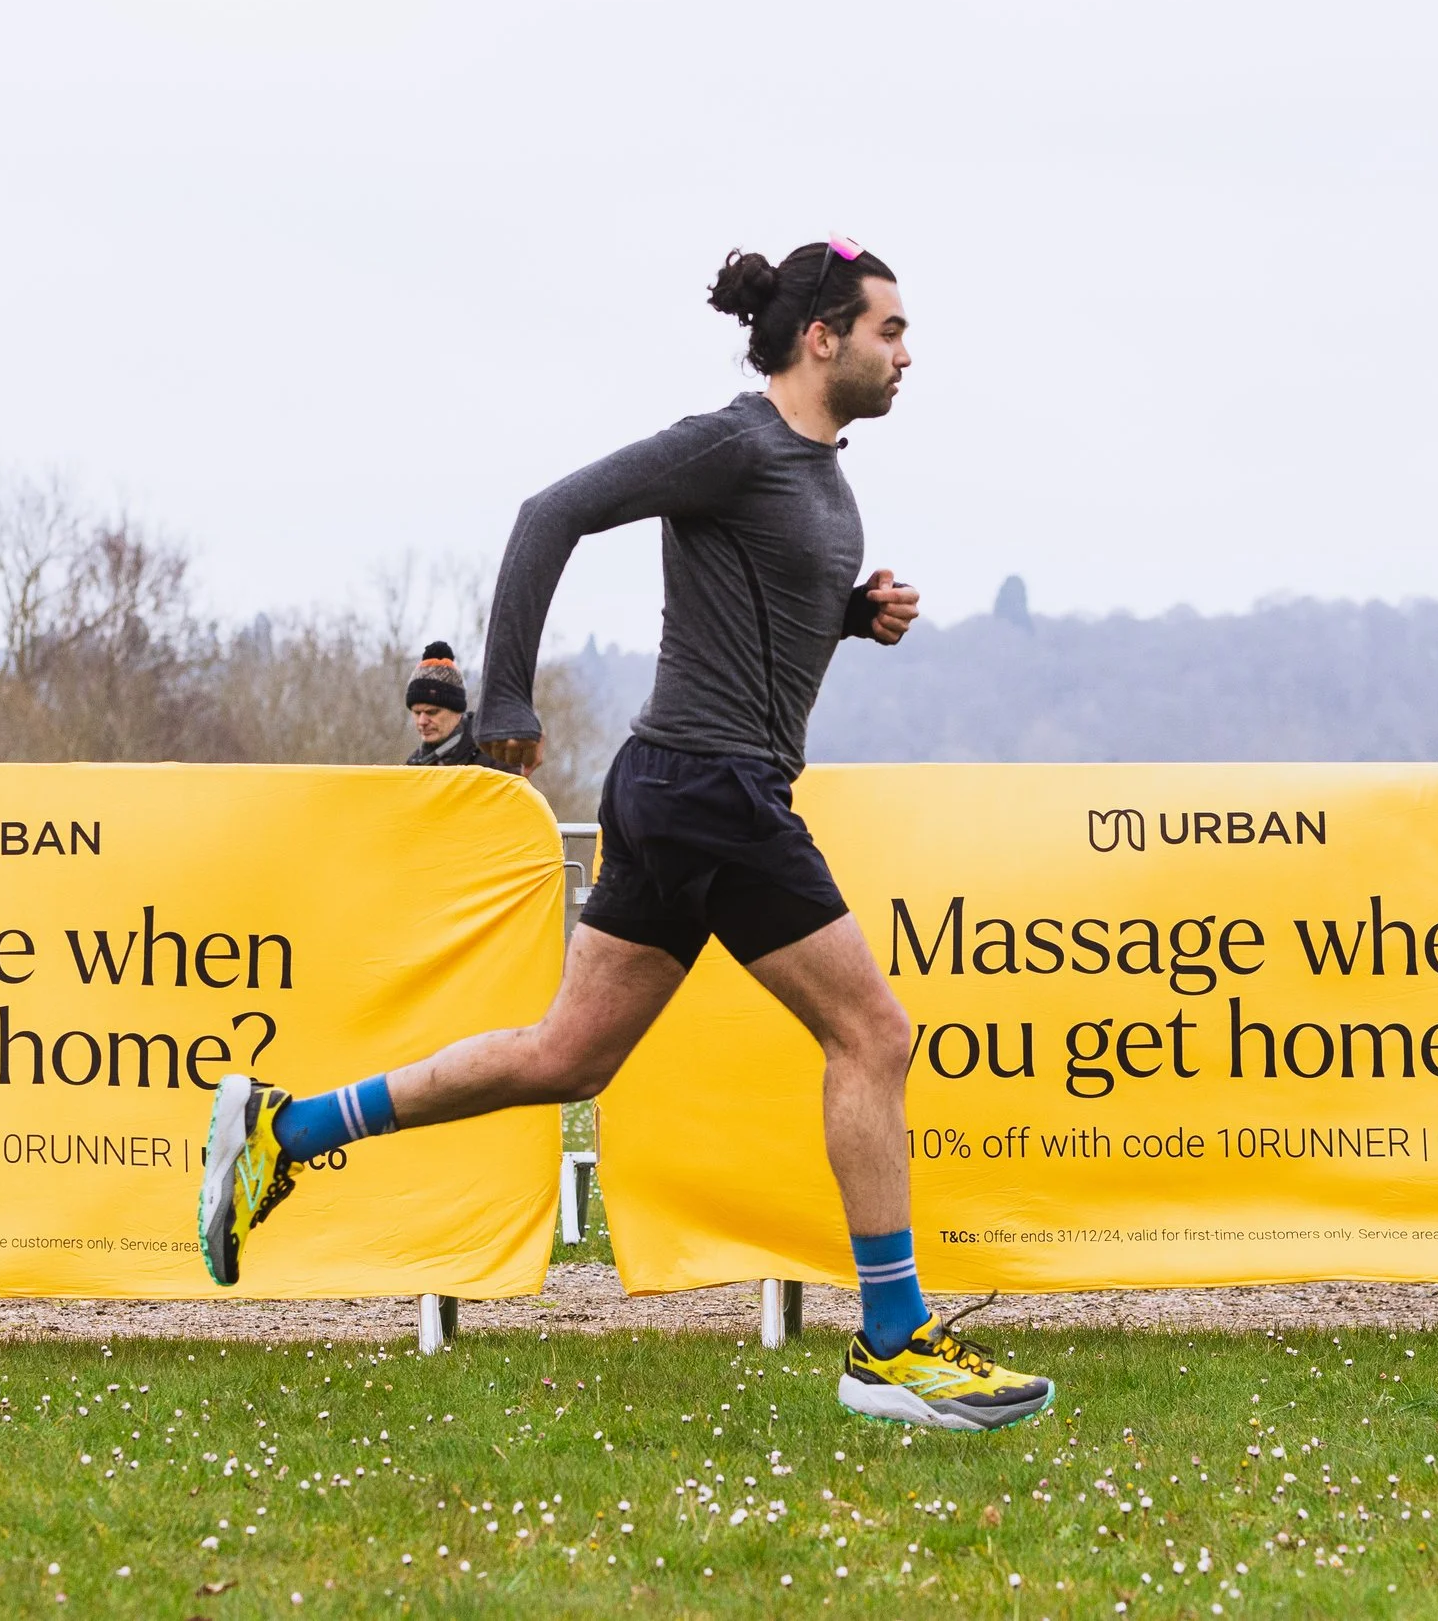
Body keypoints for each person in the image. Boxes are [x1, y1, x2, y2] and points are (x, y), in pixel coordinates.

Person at [200, 238, 1054, 1433]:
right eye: (890, 330)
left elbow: (753, 611)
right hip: (711, 789)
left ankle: (285, 1129)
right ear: (823, 338)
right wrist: (504, 697)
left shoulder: (817, 472)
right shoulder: (731, 443)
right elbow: (549, 513)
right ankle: (893, 1341)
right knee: (872, 1033)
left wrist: (849, 617)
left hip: (682, 786)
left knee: (567, 1058)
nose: (906, 354)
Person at [400, 641, 503, 769]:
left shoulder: (496, 757)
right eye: (417, 713)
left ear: (457, 712)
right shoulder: (413, 765)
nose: (422, 721)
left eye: (432, 712)